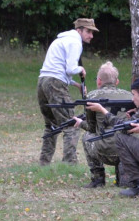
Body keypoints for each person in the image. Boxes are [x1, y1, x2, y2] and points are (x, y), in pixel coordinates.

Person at [37, 17, 98, 166]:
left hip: (42, 81)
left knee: (51, 125)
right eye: (88, 31)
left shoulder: (61, 40)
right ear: (79, 30)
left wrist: (76, 84)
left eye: (92, 32)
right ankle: (70, 164)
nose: (91, 35)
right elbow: (71, 68)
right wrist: (81, 69)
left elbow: (57, 69)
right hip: (55, 83)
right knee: (72, 124)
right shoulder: (75, 42)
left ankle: (43, 163)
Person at [80, 62, 133, 188]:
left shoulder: (92, 96)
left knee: (87, 137)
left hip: (105, 151)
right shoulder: (130, 96)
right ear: (117, 81)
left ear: (99, 81)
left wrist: (80, 123)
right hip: (128, 151)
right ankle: (123, 176)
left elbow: (92, 128)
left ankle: (98, 179)